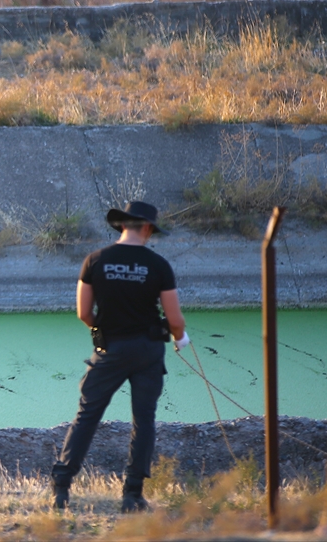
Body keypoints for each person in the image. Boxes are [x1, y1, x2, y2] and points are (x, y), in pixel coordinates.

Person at [50, 201, 189, 513]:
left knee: (87, 415)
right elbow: (175, 320)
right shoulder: (158, 266)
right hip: (148, 351)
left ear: (123, 225)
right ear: (148, 228)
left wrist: (104, 329)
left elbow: (83, 313)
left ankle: (61, 488)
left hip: (110, 349)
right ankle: (132, 495)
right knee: (144, 419)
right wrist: (180, 339)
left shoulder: (95, 260)